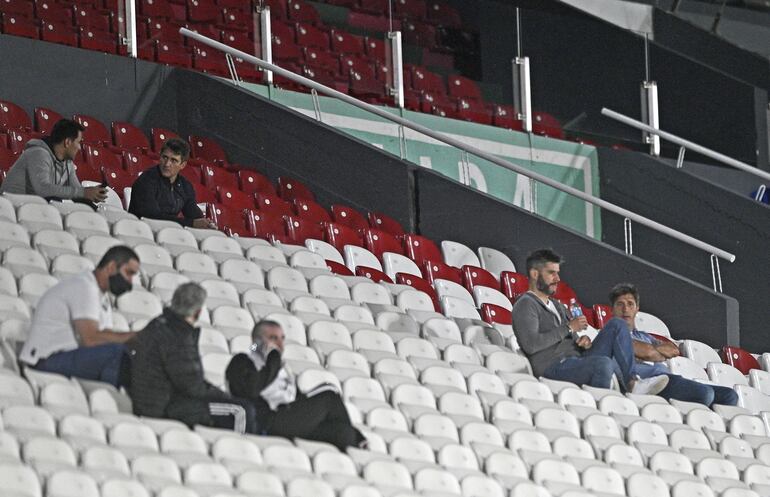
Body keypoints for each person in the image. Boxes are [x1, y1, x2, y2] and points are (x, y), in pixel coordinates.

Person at [511, 248, 669, 394]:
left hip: (576, 359)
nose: (557, 278)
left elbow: (568, 336)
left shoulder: (558, 305)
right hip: (552, 367)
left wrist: (581, 342)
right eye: (551, 273)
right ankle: (600, 405)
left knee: (617, 324)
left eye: (558, 273)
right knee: (603, 363)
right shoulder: (526, 303)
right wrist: (568, 327)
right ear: (534, 274)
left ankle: (633, 382)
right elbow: (531, 345)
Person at [127, 282, 257, 433]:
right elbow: (192, 385)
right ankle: (241, 451)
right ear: (197, 312)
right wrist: (223, 395)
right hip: (164, 406)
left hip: (155, 400)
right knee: (242, 410)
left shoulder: (158, 324)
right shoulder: (177, 336)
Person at [226, 320, 366, 450]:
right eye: (274, 338)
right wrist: (272, 356)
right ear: (257, 341)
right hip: (268, 420)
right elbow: (252, 388)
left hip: (290, 419)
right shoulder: (241, 361)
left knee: (343, 433)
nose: (280, 345)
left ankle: (358, 448)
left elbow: (295, 399)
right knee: (329, 394)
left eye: (282, 338)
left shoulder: (281, 369)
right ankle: (359, 441)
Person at [19, 246, 139, 386]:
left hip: (66, 357)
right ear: (111, 267)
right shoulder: (84, 286)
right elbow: (91, 339)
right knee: (118, 352)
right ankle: (111, 398)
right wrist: (136, 337)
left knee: (133, 354)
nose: (130, 283)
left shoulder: (101, 296)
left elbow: (105, 335)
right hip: (45, 360)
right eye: (129, 273)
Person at [609, 283, 738, 407]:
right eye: (620, 304)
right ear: (612, 309)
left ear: (637, 308)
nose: (625, 309)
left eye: (630, 304)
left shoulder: (644, 336)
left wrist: (647, 352)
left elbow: (674, 350)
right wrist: (656, 353)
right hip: (648, 385)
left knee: (729, 395)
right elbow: (647, 352)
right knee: (705, 394)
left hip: (667, 380)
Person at [0, 118, 107, 203]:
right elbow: (43, 189)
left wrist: (92, 195)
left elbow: (77, 193)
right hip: (11, 207)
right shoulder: (38, 153)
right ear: (68, 142)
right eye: (78, 142)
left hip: (34, 207)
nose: (80, 148)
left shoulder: (67, 163)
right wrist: (83, 193)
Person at [128, 137, 216, 228]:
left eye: (173, 160)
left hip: (167, 232)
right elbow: (152, 217)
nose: (167, 164)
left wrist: (207, 225)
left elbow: (194, 215)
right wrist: (192, 223)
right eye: (165, 157)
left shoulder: (185, 186)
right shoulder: (146, 180)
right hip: (139, 229)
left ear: (183, 165)